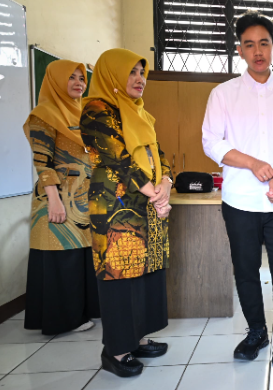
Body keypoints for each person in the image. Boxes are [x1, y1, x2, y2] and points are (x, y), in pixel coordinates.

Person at [201, 10, 273, 378]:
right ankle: (257, 333)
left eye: (264, 43)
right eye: (249, 44)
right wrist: (251, 163)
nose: (258, 50)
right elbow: (211, 142)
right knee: (246, 271)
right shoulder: (223, 95)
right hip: (240, 201)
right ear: (240, 51)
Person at [80, 48, 172, 377]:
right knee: (119, 274)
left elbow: (159, 154)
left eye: (142, 72)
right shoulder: (96, 109)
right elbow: (118, 158)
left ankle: (137, 338)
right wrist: (156, 194)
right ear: (112, 74)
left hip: (147, 204)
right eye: (131, 72)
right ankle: (116, 351)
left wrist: (166, 182)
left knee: (145, 271)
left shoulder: (140, 113)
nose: (139, 79)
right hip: (117, 206)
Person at [23, 60, 99, 336]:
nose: (79, 82)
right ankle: (64, 320)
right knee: (62, 259)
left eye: (81, 77)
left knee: (80, 257)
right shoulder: (44, 114)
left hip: (84, 198)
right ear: (55, 81)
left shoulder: (84, 114)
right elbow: (42, 163)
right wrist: (54, 200)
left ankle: (85, 311)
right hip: (56, 198)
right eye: (71, 77)